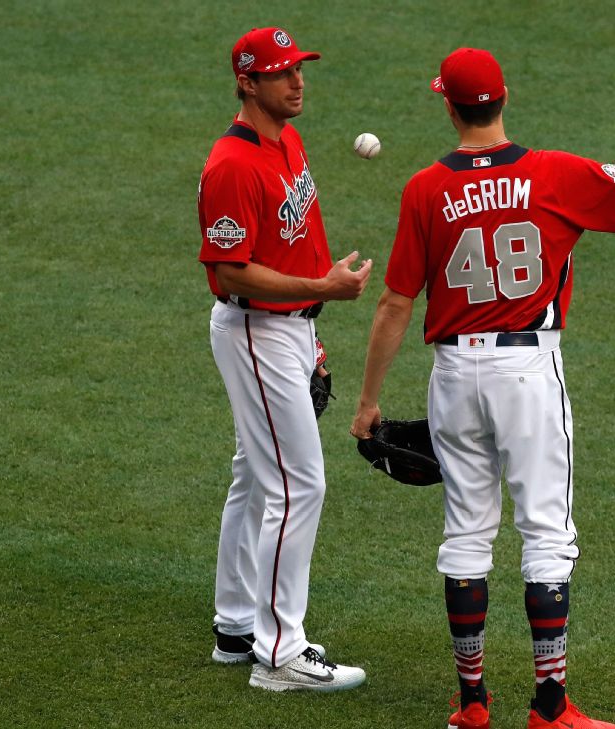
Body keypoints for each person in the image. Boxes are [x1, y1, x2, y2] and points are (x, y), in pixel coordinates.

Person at [350, 48, 615, 728]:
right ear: (504, 98)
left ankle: (471, 704)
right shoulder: (553, 173)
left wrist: (369, 402)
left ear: (449, 105)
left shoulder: (424, 188)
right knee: (545, 533)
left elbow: (394, 305)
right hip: (527, 373)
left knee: (466, 537)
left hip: (455, 374)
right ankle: (551, 705)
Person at [198, 26, 371, 693]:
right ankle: (281, 656)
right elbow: (230, 273)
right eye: (281, 74)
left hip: (288, 331)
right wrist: (321, 291)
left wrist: (314, 330)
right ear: (247, 82)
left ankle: (238, 625)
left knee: (255, 475)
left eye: (299, 69)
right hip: (254, 330)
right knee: (298, 484)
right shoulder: (231, 166)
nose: (297, 82)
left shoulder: (288, 140)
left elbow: (293, 244)